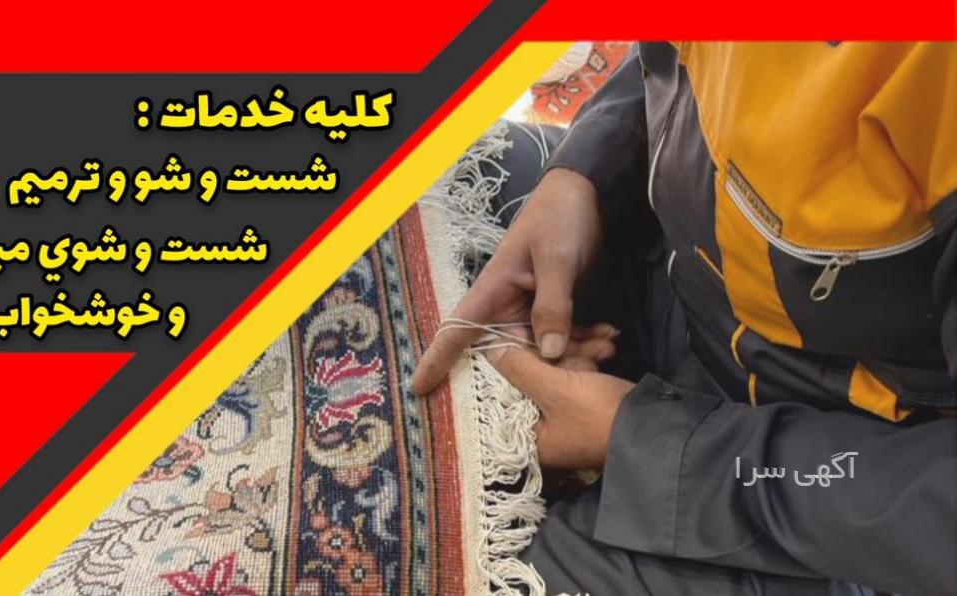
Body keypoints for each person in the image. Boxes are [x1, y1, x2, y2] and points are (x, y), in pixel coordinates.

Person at [410, 42, 957, 595]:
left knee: (457, 572)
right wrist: (582, 174)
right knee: (423, 179)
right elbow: (679, 61)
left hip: (821, 476)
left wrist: (647, 442)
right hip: (677, 269)